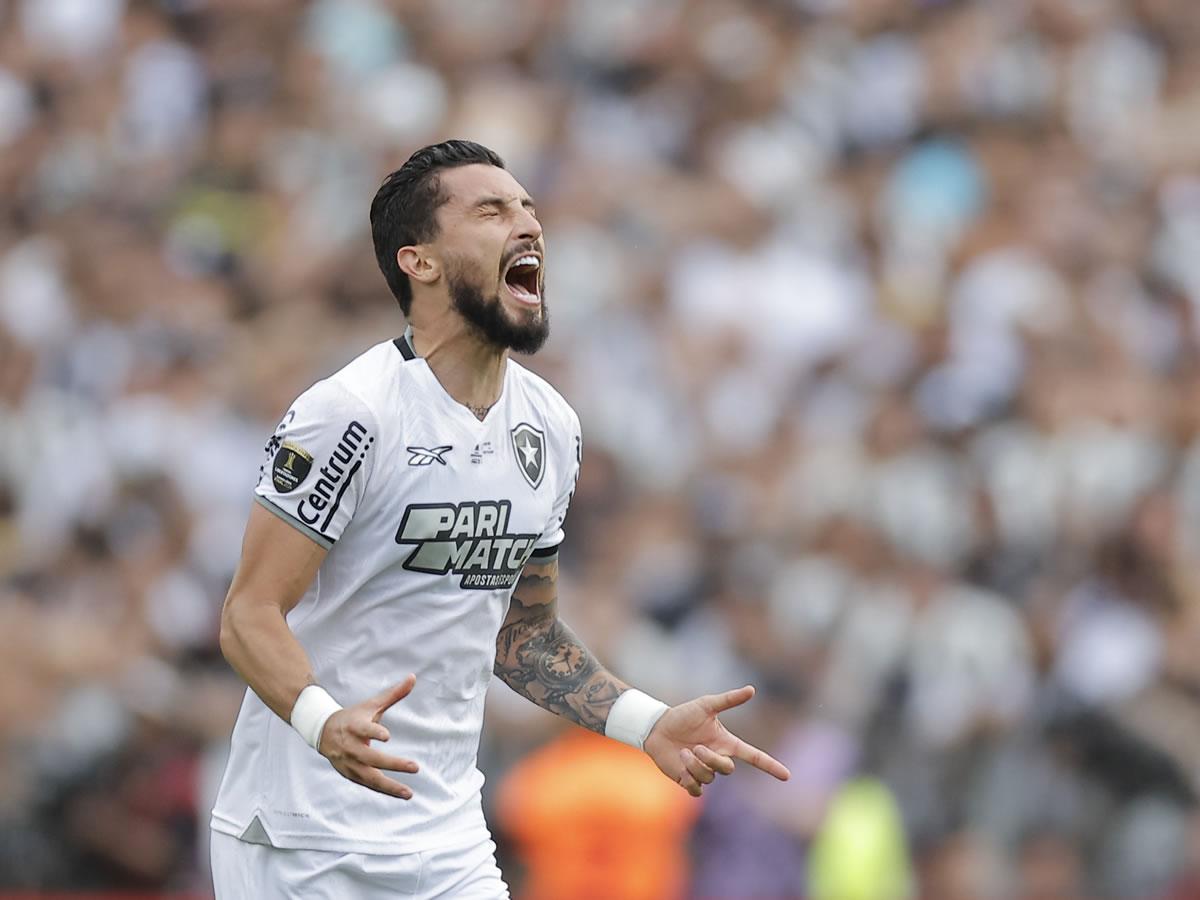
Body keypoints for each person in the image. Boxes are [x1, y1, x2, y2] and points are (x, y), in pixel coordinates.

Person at [208, 139, 791, 899]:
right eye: (492, 210)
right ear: (419, 262)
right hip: (302, 840)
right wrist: (323, 721)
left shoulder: (551, 426)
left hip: (449, 842)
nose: (529, 226)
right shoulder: (348, 415)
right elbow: (248, 614)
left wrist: (644, 722)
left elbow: (523, 637)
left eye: (529, 208)